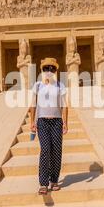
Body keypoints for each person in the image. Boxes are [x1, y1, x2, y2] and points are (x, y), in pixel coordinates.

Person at [30, 58, 68, 195]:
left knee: (56, 151)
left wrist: (65, 122)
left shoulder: (60, 85)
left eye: (52, 69)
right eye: (46, 68)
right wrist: (32, 122)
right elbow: (33, 104)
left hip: (57, 122)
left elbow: (64, 105)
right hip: (42, 122)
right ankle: (43, 183)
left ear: (56, 71)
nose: (49, 71)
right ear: (42, 70)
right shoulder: (38, 85)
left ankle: (54, 180)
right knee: (45, 149)